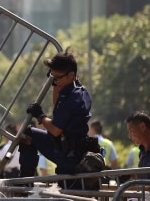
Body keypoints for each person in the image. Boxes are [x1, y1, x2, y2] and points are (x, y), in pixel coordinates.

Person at [19, 51, 95, 183]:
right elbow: (57, 105)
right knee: (28, 134)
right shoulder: (77, 89)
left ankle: (24, 184)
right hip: (63, 145)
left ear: (71, 75)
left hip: (69, 153)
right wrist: (55, 82)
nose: (54, 81)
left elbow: (55, 130)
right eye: (52, 77)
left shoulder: (72, 98)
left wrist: (40, 116)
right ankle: (24, 183)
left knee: (67, 191)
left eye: (57, 78)